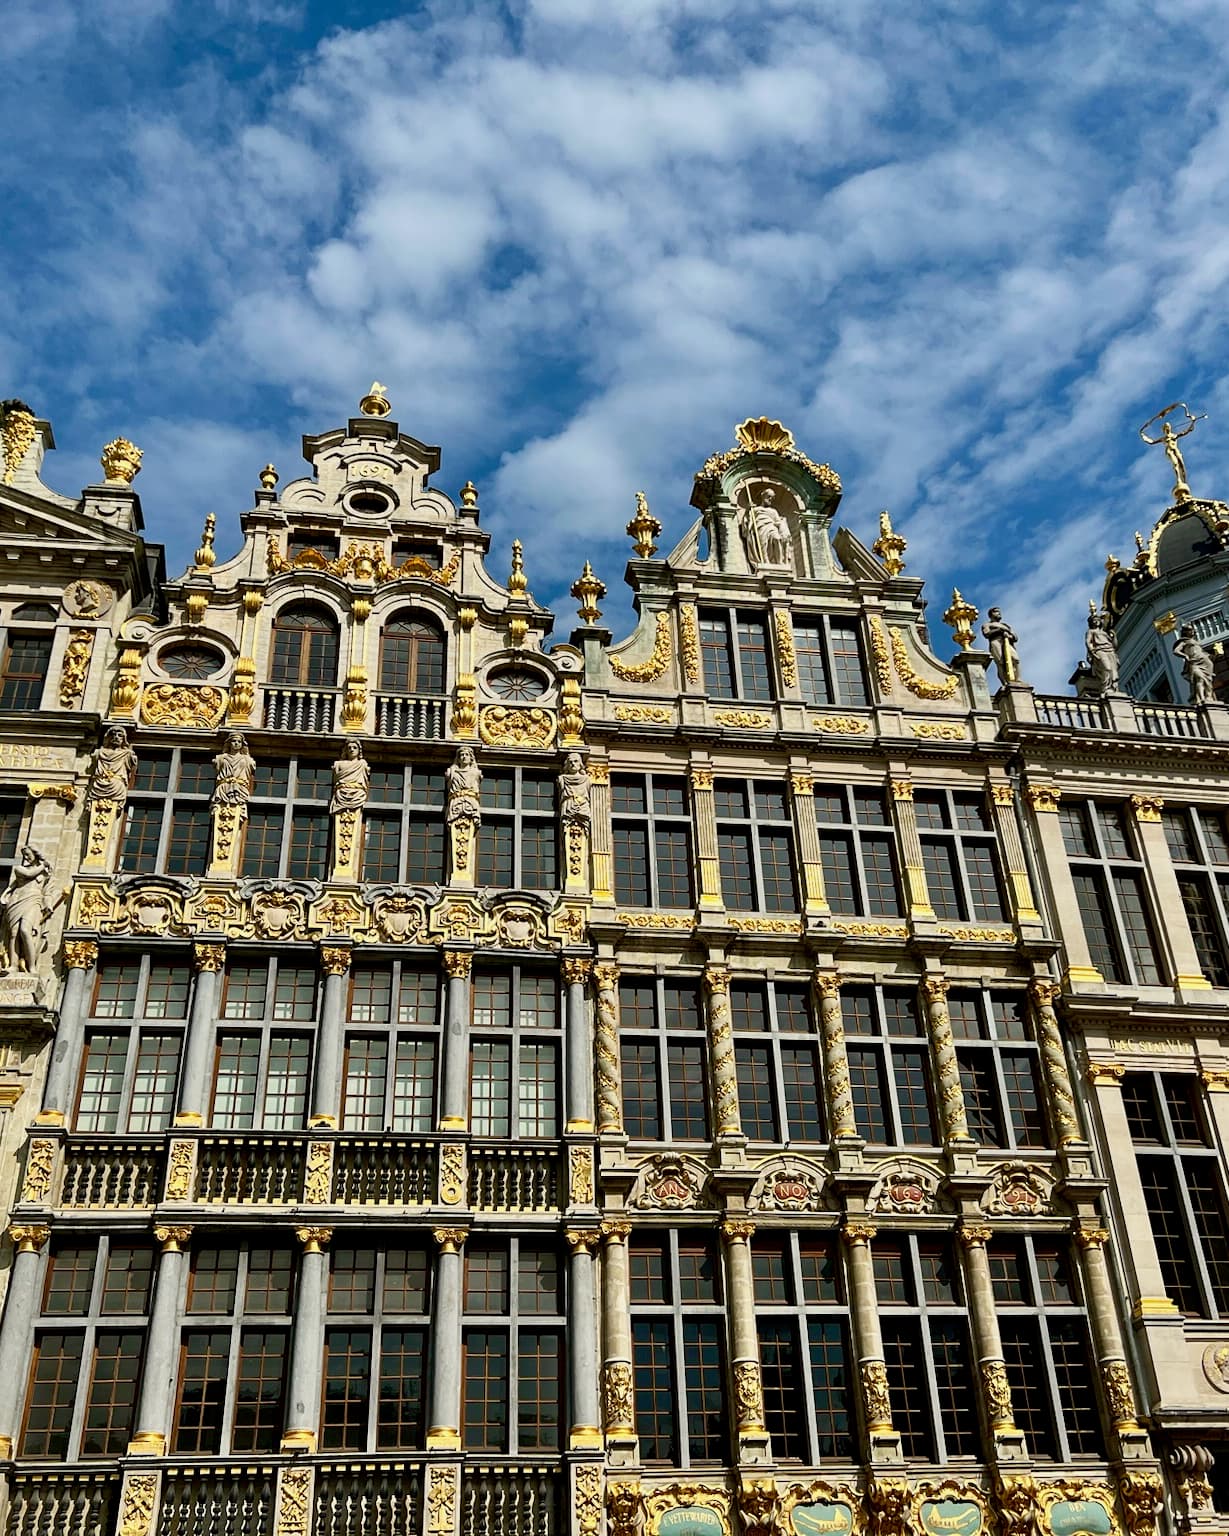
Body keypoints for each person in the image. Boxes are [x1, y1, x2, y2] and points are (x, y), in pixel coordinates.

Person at [1, 845, 51, 974]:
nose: (26, 858)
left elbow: (48, 892)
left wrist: (48, 905)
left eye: (28, 855)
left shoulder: (46, 874)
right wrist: (43, 864)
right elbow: (29, 874)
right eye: (24, 856)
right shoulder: (20, 869)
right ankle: (13, 965)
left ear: (35, 854)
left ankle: (32, 966)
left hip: (33, 900)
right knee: (14, 933)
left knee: (25, 930)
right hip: (17, 901)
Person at [86, 727, 138, 804]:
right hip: (99, 784)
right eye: (113, 735)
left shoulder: (127, 754)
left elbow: (133, 765)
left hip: (116, 785)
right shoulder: (99, 752)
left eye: (120, 735)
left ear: (124, 739)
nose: (116, 737)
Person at [1174, 623, 1216, 705]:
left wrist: (1214, 654)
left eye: (1192, 629)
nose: (1192, 631)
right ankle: (1201, 699)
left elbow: (1204, 653)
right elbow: (1176, 651)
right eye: (1189, 630)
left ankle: (1209, 697)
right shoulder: (1184, 641)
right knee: (1199, 678)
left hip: (1205, 663)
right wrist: (1185, 655)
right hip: (1194, 662)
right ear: (1185, 632)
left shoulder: (1196, 642)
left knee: (1208, 681)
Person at [212, 732, 255, 806]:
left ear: (242, 744)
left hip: (240, 789)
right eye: (234, 741)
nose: (236, 743)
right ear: (229, 743)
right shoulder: (220, 758)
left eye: (239, 742)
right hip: (223, 789)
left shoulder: (248, 760)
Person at [981, 607, 1020, 685]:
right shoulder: (987, 625)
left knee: (1015, 659)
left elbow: (1015, 637)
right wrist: (1000, 631)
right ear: (991, 614)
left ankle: (1017, 679)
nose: (999, 613)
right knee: (1000, 662)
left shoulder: (1005, 625)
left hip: (1007, 642)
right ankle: (1005, 682)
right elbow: (987, 634)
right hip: (996, 642)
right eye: (996, 612)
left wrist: (1010, 636)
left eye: (999, 612)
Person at [331, 740, 371, 812]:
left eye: (355, 748)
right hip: (341, 793)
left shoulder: (362, 764)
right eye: (349, 748)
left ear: (359, 750)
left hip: (358, 794)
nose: (352, 750)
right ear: (346, 750)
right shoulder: (338, 764)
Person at [1085, 612, 1120, 693]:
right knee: (1107, 668)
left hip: (1110, 650)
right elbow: (1088, 642)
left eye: (1097, 620)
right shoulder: (1091, 631)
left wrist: (1114, 636)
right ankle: (1106, 687)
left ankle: (1114, 688)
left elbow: (1115, 645)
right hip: (1099, 650)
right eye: (1094, 620)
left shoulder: (1105, 632)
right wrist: (1092, 652)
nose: (1096, 621)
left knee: (1113, 670)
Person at [446, 746, 482, 823]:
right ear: (458, 759)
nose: (464, 757)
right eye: (462, 755)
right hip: (455, 801)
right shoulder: (452, 772)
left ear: (471, 758)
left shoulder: (476, 773)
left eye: (467, 755)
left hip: (471, 801)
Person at [557, 752, 592, 826]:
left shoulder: (587, 779)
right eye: (570, 762)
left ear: (580, 763)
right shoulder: (562, 779)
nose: (573, 764)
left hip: (583, 805)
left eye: (575, 761)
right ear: (567, 765)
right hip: (568, 805)